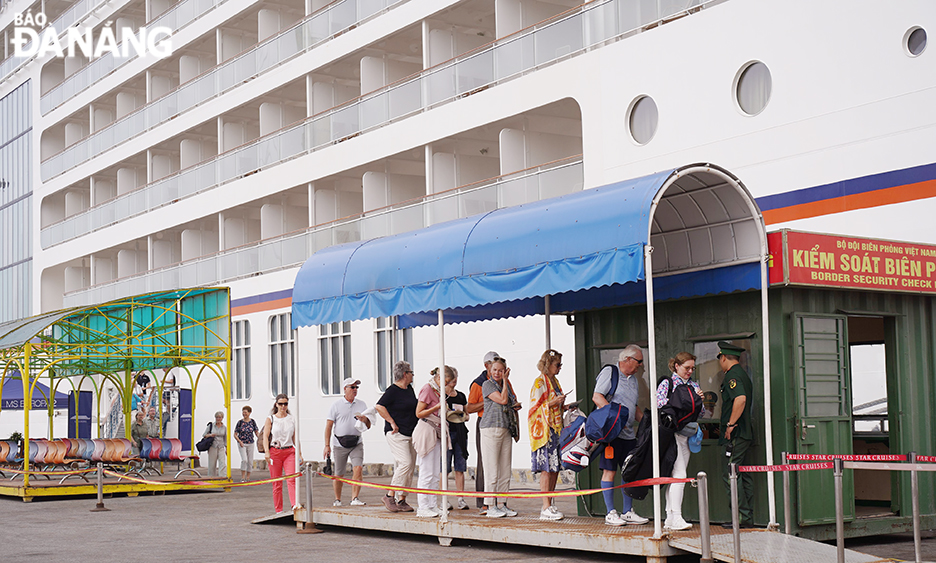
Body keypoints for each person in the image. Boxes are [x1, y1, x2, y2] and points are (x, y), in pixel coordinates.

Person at [592, 345, 649, 526]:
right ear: (627, 360)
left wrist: (648, 422)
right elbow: (597, 397)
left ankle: (627, 511)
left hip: (629, 435)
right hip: (612, 433)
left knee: (629, 471)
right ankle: (610, 513)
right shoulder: (610, 372)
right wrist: (613, 419)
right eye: (639, 361)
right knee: (610, 471)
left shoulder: (633, 380)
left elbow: (634, 407)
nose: (641, 365)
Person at [657, 352, 704, 531]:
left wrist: (699, 399)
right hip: (673, 434)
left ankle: (670, 516)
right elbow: (660, 405)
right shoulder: (667, 383)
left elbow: (701, 413)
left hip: (687, 435)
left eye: (693, 368)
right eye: (687, 368)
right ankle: (676, 517)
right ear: (676, 366)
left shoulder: (694, 385)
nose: (690, 371)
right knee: (680, 475)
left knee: (676, 476)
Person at [718, 341, 754, 528]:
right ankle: (746, 518)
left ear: (723, 357)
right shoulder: (743, 375)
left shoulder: (732, 376)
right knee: (742, 473)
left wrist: (730, 425)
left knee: (731, 473)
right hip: (744, 433)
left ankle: (740, 518)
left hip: (736, 434)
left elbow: (740, 399)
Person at [529, 349, 569, 521]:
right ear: (548, 365)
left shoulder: (555, 381)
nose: (560, 368)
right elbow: (534, 408)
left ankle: (550, 503)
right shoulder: (540, 383)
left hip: (555, 428)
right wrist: (554, 402)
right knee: (546, 468)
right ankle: (545, 505)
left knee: (554, 468)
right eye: (557, 364)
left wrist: (564, 406)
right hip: (544, 430)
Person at [375, 361, 419, 513]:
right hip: (396, 433)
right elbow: (379, 406)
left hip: (411, 433)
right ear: (405, 374)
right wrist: (391, 422)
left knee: (410, 466)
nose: (413, 375)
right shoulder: (392, 390)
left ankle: (402, 499)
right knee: (405, 463)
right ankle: (389, 495)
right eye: (411, 372)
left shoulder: (409, 389)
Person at [413, 366, 457, 517]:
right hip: (427, 429)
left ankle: (432, 504)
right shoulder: (427, 389)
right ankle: (423, 506)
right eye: (447, 382)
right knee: (426, 470)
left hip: (437, 430)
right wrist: (437, 407)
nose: (448, 385)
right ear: (439, 378)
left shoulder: (439, 391)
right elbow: (418, 413)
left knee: (434, 472)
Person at [480, 356, 521, 518]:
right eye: (495, 370)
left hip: (505, 428)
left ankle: (502, 503)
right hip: (490, 429)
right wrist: (505, 381)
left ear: (505, 370)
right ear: (490, 370)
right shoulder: (487, 384)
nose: (497, 373)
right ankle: (490, 505)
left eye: (501, 370)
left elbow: (510, 400)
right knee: (492, 469)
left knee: (505, 468)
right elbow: (503, 400)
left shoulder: (505, 385)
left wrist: (516, 404)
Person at [324, 378, 370, 507]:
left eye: (357, 388)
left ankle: (355, 498)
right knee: (339, 473)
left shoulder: (362, 404)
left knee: (358, 468)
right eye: (352, 387)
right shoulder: (336, 405)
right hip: (340, 442)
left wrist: (365, 419)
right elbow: (328, 426)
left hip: (356, 441)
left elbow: (369, 424)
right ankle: (337, 499)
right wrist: (327, 445)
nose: (355, 390)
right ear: (345, 389)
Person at [466, 350, 498, 513]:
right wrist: (489, 400)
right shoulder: (478, 384)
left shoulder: (501, 380)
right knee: (484, 462)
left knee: (497, 463)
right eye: (494, 364)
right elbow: (469, 407)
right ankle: (483, 501)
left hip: (499, 422)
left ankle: (496, 500)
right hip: (484, 422)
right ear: (486, 366)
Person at [263, 393, 301, 513]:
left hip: (289, 450)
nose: (283, 406)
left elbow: (295, 437)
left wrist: (300, 453)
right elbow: (265, 436)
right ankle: (278, 510)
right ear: (276, 404)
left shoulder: (291, 418)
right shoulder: (271, 419)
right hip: (275, 451)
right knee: (277, 482)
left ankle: (294, 505)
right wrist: (267, 452)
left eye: (285, 403)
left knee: (291, 479)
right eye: (281, 404)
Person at [445, 372, 470, 511]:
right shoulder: (442, 395)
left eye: (456, 377)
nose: (454, 380)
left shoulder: (460, 395)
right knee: (445, 467)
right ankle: (445, 499)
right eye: (451, 377)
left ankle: (461, 498)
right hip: (448, 433)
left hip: (460, 432)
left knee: (460, 467)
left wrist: (463, 416)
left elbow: (467, 414)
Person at [234, 406, 260, 482]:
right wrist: (240, 441)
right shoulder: (240, 422)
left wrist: (261, 439)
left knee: (250, 461)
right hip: (242, 443)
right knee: (244, 460)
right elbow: (235, 434)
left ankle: (248, 477)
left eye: (245, 412)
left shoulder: (252, 422)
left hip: (250, 443)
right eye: (243, 412)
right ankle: (242, 477)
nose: (244, 413)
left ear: (249, 413)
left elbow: (256, 432)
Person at [203, 411, 227, 477]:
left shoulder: (224, 428)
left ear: (222, 418)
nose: (218, 419)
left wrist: (226, 448)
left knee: (222, 463)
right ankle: (211, 476)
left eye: (219, 417)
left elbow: (225, 438)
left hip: (221, 446)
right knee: (212, 463)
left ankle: (222, 476)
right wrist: (210, 435)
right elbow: (204, 435)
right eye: (217, 417)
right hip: (213, 446)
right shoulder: (211, 426)